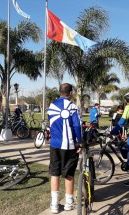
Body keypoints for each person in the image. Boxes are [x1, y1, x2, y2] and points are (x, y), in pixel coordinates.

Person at [47, 83, 82, 214]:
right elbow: (77, 127)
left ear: (60, 92)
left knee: (54, 173)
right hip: (70, 146)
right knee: (69, 174)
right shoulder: (73, 107)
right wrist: (80, 142)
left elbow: (51, 124)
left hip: (55, 145)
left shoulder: (51, 106)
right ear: (71, 93)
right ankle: (68, 203)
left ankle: (54, 204)